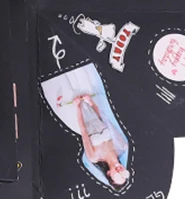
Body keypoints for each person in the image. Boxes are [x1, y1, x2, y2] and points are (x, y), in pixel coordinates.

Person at [39, 62, 132, 191]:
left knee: (61, 85)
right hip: (91, 107)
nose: (120, 171)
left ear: (109, 174)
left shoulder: (94, 157)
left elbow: (83, 131)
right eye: (123, 174)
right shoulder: (121, 146)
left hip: (78, 117)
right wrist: (91, 102)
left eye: (117, 175)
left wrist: (77, 107)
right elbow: (106, 120)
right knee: (79, 75)